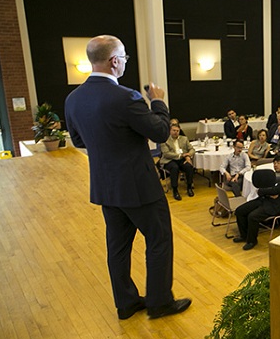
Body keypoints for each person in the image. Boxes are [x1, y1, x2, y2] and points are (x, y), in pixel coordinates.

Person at [64, 35, 190, 320]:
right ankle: (159, 303)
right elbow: (159, 133)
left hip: (106, 188)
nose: (125, 62)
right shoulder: (126, 97)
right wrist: (157, 102)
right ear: (114, 61)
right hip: (139, 187)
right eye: (124, 57)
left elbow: (77, 140)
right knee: (158, 239)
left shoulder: (73, 99)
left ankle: (126, 303)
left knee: (117, 247)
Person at [234, 155, 280, 251]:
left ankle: (252, 241)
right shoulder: (270, 176)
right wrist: (269, 192)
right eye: (274, 163)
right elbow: (261, 189)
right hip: (263, 199)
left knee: (252, 216)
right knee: (240, 211)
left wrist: (268, 191)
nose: (275, 165)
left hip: (275, 205)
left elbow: (274, 191)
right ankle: (244, 236)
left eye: (278, 163)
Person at [160, 124, 196, 200]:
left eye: (177, 131)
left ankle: (189, 187)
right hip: (169, 160)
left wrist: (188, 154)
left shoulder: (184, 139)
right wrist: (180, 155)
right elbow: (166, 154)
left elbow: (192, 149)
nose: (176, 132)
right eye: (174, 130)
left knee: (189, 166)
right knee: (174, 168)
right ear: (170, 131)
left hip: (181, 159)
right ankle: (175, 190)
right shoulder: (164, 140)